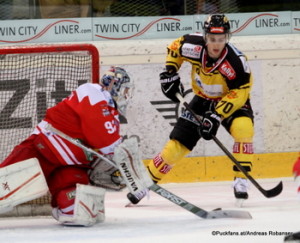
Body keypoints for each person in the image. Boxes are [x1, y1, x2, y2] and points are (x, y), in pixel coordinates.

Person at [128, 14, 254, 204]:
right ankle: (145, 183)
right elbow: (174, 48)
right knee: (175, 147)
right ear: (205, 37)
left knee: (244, 129)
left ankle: (241, 180)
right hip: (202, 100)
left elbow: (241, 92)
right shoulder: (192, 46)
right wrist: (170, 72)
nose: (216, 45)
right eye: (212, 39)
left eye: (221, 40)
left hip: (231, 100)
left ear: (227, 38)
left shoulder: (236, 63)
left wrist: (217, 114)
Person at [0, 66, 133, 226]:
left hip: (72, 166)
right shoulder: (91, 91)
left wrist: (128, 170)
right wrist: (130, 170)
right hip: (43, 150)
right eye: (125, 90)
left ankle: (61, 204)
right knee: (3, 188)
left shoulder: (113, 115)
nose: (126, 95)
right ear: (114, 84)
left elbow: (106, 147)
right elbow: (102, 139)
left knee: (77, 210)